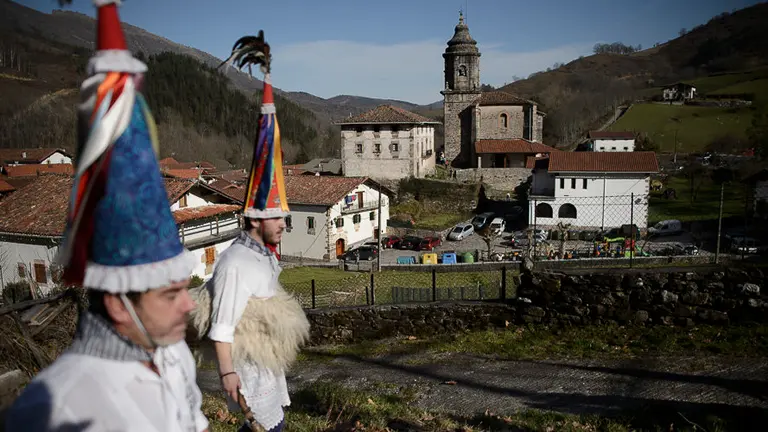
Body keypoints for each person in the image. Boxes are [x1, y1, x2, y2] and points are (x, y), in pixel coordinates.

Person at [4, 1, 208, 431]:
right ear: (118, 304)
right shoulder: (58, 410)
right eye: (170, 294)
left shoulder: (172, 354)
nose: (189, 304)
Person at [188, 38, 310, 432]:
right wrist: (227, 376)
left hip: (267, 366)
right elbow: (222, 326)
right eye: (278, 218)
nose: (284, 224)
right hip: (247, 371)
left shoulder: (264, 253)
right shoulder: (236, 262)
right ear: (256, 218)